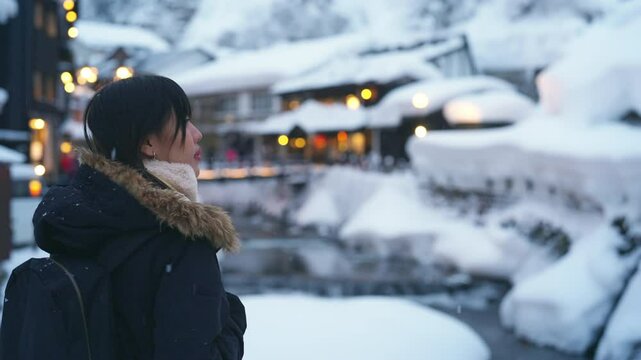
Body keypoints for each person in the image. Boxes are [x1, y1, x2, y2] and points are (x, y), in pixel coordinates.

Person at [31, 75, 246, 359]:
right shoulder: (180, 242)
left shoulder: (79, 222)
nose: (197, 133)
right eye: (183, 121)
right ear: (148, 142)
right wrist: (232, 320)